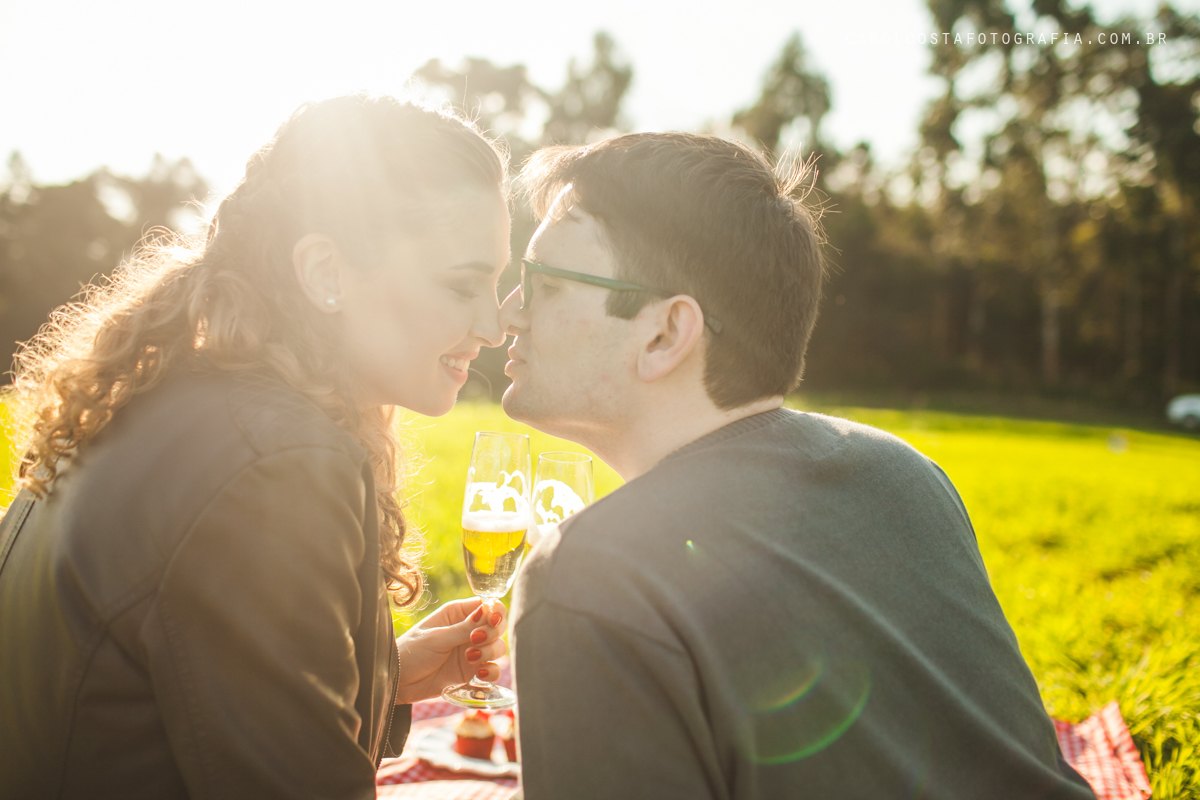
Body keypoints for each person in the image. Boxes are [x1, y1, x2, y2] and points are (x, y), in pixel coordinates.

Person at [498, 133, 1097, 799]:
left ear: (666, 333)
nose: (508, 313)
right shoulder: (905, 471)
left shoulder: (585, 576)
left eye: (546, 285)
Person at [0, 94, 512, 799]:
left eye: (497, 284)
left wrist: (386, 676)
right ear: (326, 272)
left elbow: (163, 698)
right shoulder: (277, 466)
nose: (491, 324)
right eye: (462, 284)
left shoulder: (172, 397)